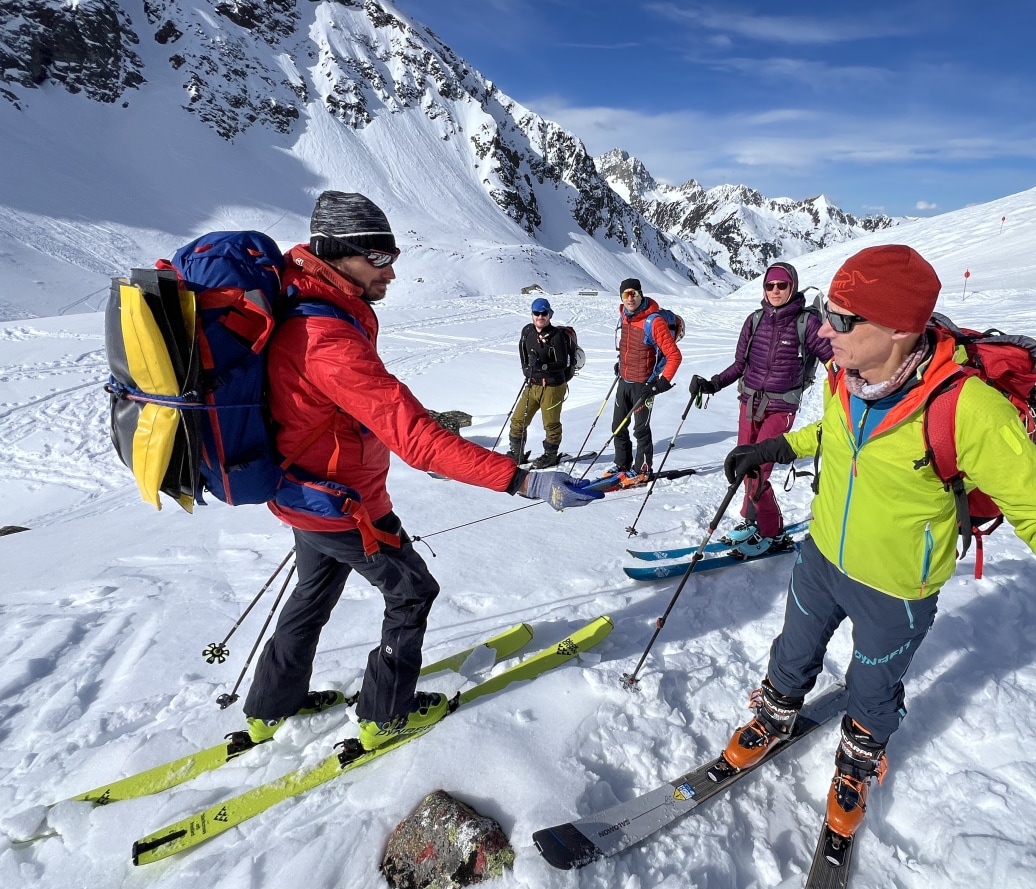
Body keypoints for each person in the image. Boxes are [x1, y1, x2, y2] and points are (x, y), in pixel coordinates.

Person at [719, 244, 1036, 853]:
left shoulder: (968, 408)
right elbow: (835, 432)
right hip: (820, 559)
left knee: (872, 688)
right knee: (792, 650)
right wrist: (778, 449)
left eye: (840, 319)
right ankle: (775, 712)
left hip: (896, 589)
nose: (822, 328)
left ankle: (860, 760)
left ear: (897, 330)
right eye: (823, 310)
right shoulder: (845, 374)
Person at [242, 191, 600, 753]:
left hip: (303, 495)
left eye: (394, 254)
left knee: (311, 595)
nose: (393, 269)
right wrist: (526, 479)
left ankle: (271, 708)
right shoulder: (328, 339)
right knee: (411, 592)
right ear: (339, 256)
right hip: (344, 506)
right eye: (379, 258)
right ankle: (385, 715)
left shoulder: (310, 312)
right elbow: (418, 440)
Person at [689, 263, 832, 554]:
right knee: (742, 465)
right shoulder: (754, 321)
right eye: (770, 286)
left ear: (792, 286)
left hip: (781, 407)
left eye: (782, 285)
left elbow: (833, 360)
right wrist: (712, 384)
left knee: (757, 469)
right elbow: (740, 365)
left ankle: (773, 532)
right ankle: (752, 522)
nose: (776, 291)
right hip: (749, 403)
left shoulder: (807, 323)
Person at [609, 278, 682, 477]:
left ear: (641, 294)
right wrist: (621, 364)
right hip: (624, 380)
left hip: (644, 384)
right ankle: (622, 463)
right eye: (626, 294)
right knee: (618, 426)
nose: (630, 298)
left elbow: (674, 355)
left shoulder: (654, 321)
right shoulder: (624, 316)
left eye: (634, 293)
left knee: (640, 429)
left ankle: (642, 468)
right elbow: (630, 346)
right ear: (621, 297)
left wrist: (662, 383)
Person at [508, 297, 572, 468]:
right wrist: (526, 369)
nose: (540, 317)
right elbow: (522, 352)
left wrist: (542, 365)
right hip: (533, 384)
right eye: (536, 313)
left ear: (549, 315)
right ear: (532, 314)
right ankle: (516, 453)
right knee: (517, 420)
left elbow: (562, 364)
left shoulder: (557, 337)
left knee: (550, 423)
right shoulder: (528, 331)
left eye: (543, 313)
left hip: (553, 386)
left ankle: (550, 455)